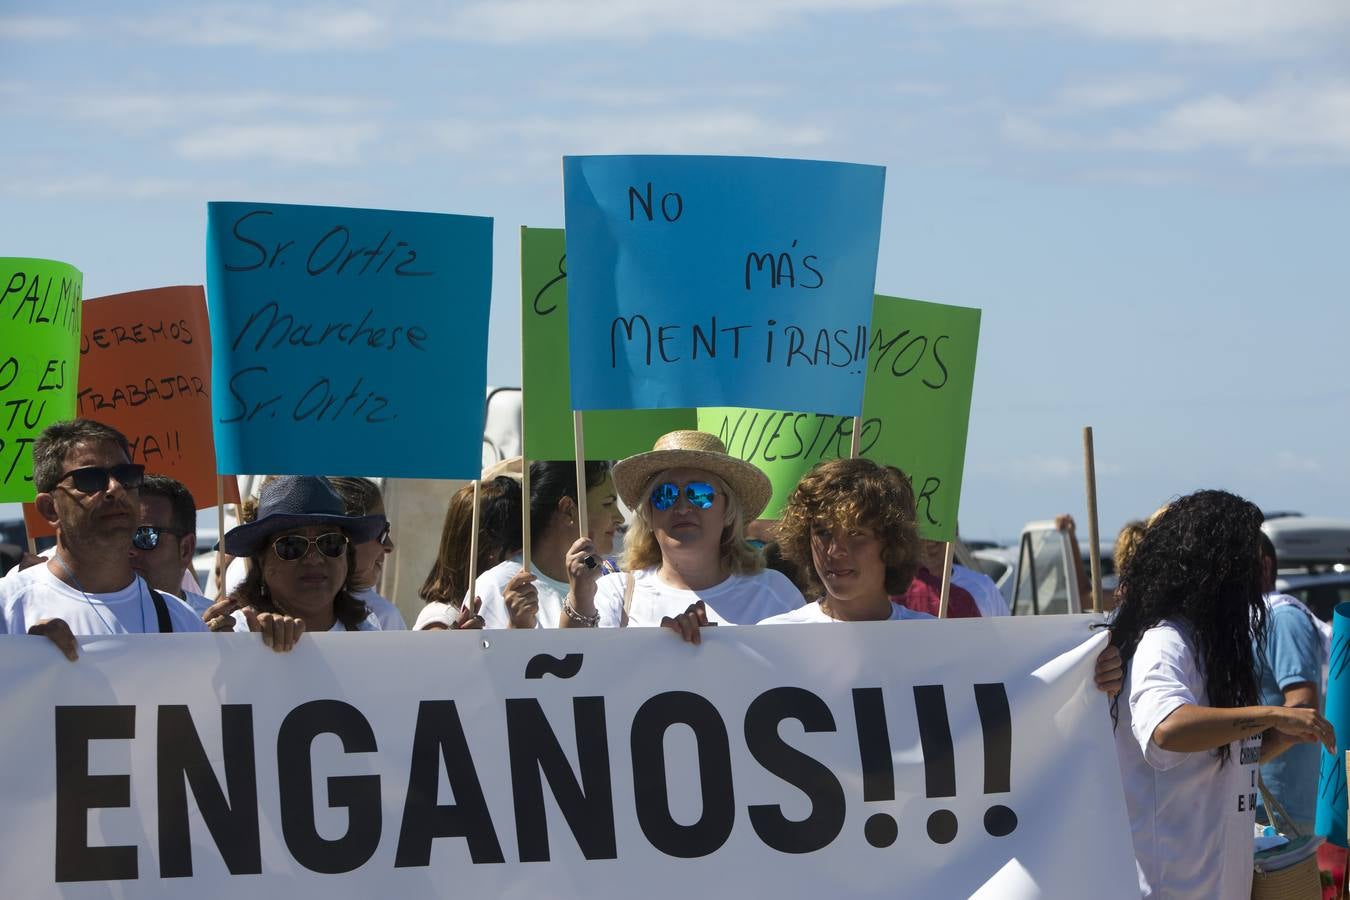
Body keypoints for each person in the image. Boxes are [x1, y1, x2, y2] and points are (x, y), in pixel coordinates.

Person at [1109, 489, 1335, 899]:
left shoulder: (1211, 646)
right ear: (1217, 571)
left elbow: (1214, 763)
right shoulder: (1167, 641)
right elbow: (1166, 729)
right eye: (1245, 561)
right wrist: (1271, 715)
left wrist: (1278, 738)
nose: (1259, 573)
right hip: (1172, 888)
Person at [0, 419, 207, 659]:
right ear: (50, 508)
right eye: (90, 479)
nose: (115, 488)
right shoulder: (9, 610)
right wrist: (17, 664)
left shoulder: (182, 622)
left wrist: (256, 652)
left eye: (126, 475)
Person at [561, 430, 802, 635]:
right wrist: (580, 598)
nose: (683, 506)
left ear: (728, 511)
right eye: (665, 495)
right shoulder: (615, 593)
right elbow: (573, 668)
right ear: (649, 514)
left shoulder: (773, 594)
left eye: (700, 493)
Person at [216, 475, 390, 646]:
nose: (314, 559)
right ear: (262, 561)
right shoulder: (237, 635)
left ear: (348, 557)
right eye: (291, 545)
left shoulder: (368, 633)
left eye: (330, 542)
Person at [763, 458, 931, 624]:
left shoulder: (933, 639)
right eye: (823, 533)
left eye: (855, 533)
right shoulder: (774, 636)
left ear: (892, 542)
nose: (835, 550)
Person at [481, 460, 622, 629]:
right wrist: (516, 628)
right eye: (608, 503)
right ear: (568, 509)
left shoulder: (614, 584)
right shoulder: (497, 587)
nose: (619, 517)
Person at [1253, 532, 1327, 834]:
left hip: (1281, 811)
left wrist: (1249, 759)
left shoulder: (1281, 618)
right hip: (1259, 806)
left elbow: (1303, 708)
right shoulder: (1255, 617)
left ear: (1265, 566)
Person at [414, 471, 523, 630]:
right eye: (518, 542)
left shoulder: (495, 610)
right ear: (488, 547)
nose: (523, 557)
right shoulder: (441, 619)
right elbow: (431, 654)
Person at [327, 476, 406, 631]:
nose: (389, 546)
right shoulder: (383, 615)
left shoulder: (383, 616)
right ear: (346, 537)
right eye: (381, 531)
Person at [129, 474, 212, 617]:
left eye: (145, 535)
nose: (129, 549)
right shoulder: (89, 622)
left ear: (185, 549)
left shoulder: (225, 630)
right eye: (121, 534)